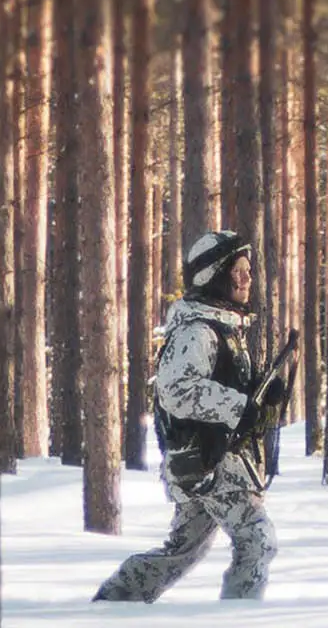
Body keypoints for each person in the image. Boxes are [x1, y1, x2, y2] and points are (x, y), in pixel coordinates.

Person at [94, 230, 289, 603]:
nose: (247, 278)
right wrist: (239, 406)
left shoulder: (222, 328)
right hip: (207, 463)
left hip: (209, 463)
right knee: (257, 539)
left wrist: (261, 396)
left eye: (248, 270)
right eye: (239, 270)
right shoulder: (198, 331)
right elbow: (177, 390)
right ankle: (239, 625)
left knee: (183, 552)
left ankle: (117, 601)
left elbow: (218, 391)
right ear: (214, 275)